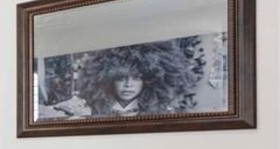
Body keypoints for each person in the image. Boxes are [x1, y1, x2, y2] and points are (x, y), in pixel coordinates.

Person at [48, 40, 199, 118]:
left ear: (150, 81)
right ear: (107, 79)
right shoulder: (86, 109)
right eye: (121, 78)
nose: (128, 85)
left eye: (136, 78)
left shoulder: (160, 113)